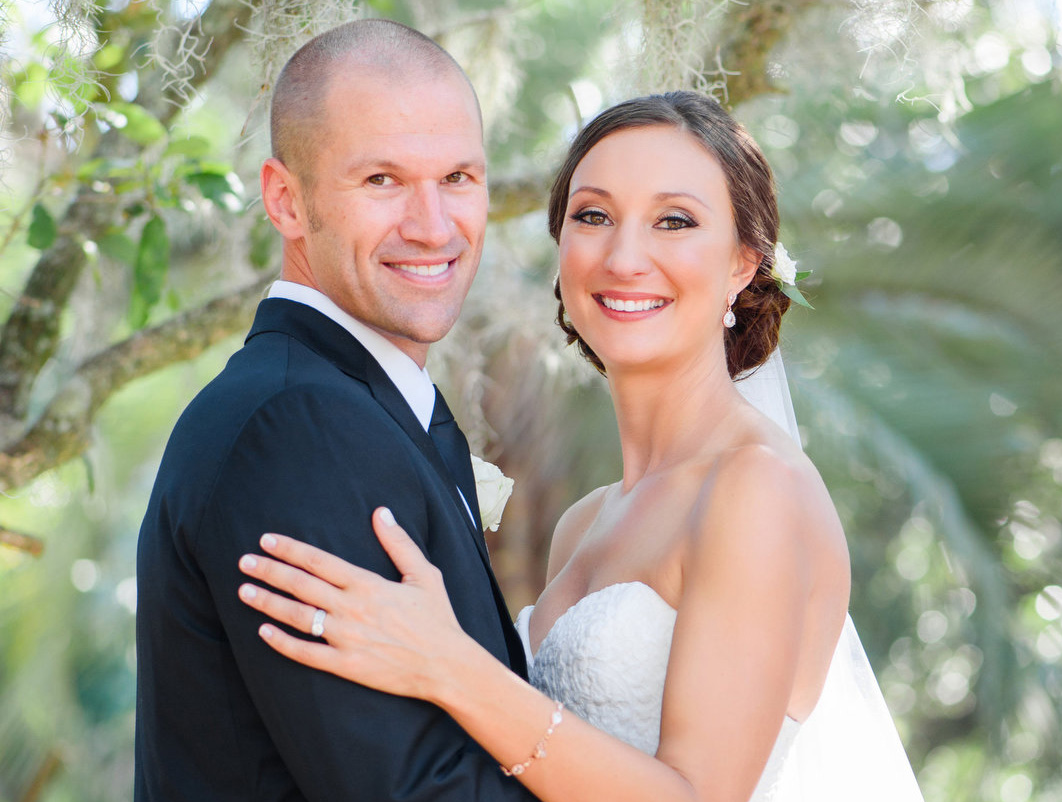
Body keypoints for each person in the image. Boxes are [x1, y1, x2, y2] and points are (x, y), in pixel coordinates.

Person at [236, 92, 925, 800]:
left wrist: (449, 667)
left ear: (743, 263)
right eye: (593, 216)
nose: (625, 257)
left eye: (675, 221)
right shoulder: (583, 525)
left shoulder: (757, 488)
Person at [134, 19, 538, 802]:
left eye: (458, 177)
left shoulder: (343, 403)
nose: (432, 225)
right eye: (381, 180)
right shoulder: (299, 430)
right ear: (285, 199)